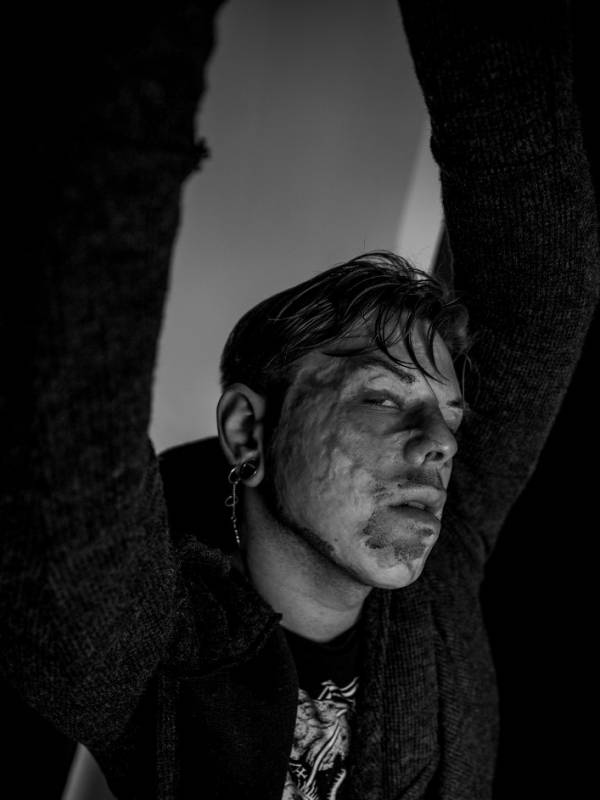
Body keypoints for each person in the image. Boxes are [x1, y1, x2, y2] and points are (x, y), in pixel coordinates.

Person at [1, 2, 598, 799]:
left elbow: (542, 278)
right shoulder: (142, 645)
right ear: (249, 431)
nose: (442, 444)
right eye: (382, 397)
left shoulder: (442, 564)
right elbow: (77, 380)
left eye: (451, 414)